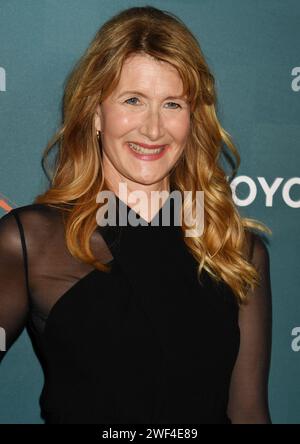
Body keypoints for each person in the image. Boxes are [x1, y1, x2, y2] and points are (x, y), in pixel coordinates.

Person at [0, 6, 272, 424]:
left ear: (193, 118)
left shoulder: (234, 249)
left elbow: (249, 413)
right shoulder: (31, 241)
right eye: (133, 100)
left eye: (172, 105)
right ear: (95, 113)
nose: (152, 129)